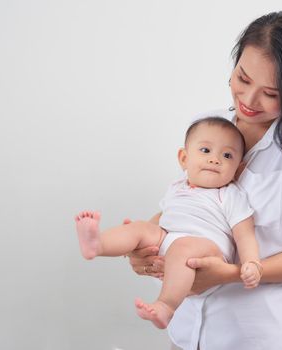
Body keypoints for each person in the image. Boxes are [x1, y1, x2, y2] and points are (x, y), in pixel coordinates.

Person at [126, 11, 282, 350]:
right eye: (243, 78)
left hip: (260, 336)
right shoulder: (209, 127)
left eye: (271, 93)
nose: (250, 101)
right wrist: (144, 248)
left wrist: (236, 273)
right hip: (188, 331)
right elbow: (193, 199)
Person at [74, 117, 262, 330]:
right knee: (139, 228)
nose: (215, 159)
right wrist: (138, 234)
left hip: (208, 251)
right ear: (184, 158)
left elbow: (245, 234)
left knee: (182, 247)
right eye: (205, 151)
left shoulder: (230, 195)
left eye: (227, 155)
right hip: (168, 240)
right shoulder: (177, 186)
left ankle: (166, 306)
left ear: (238, 169)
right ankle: (97, 244)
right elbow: (163, 217)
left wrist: (252, 263)